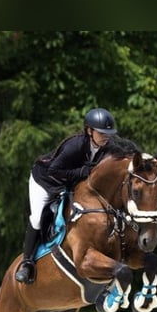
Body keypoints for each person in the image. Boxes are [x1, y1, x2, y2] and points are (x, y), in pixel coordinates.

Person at [14, 107, 118, 284]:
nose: (106, 136)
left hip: (68, 185)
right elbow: (55, 170)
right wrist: (81, 172)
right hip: (45, 182)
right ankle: (27, 263)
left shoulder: (107, 147)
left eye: (108, 133)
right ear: (89, 131)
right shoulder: (75, 146)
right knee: (38, 218)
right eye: (101, 133)